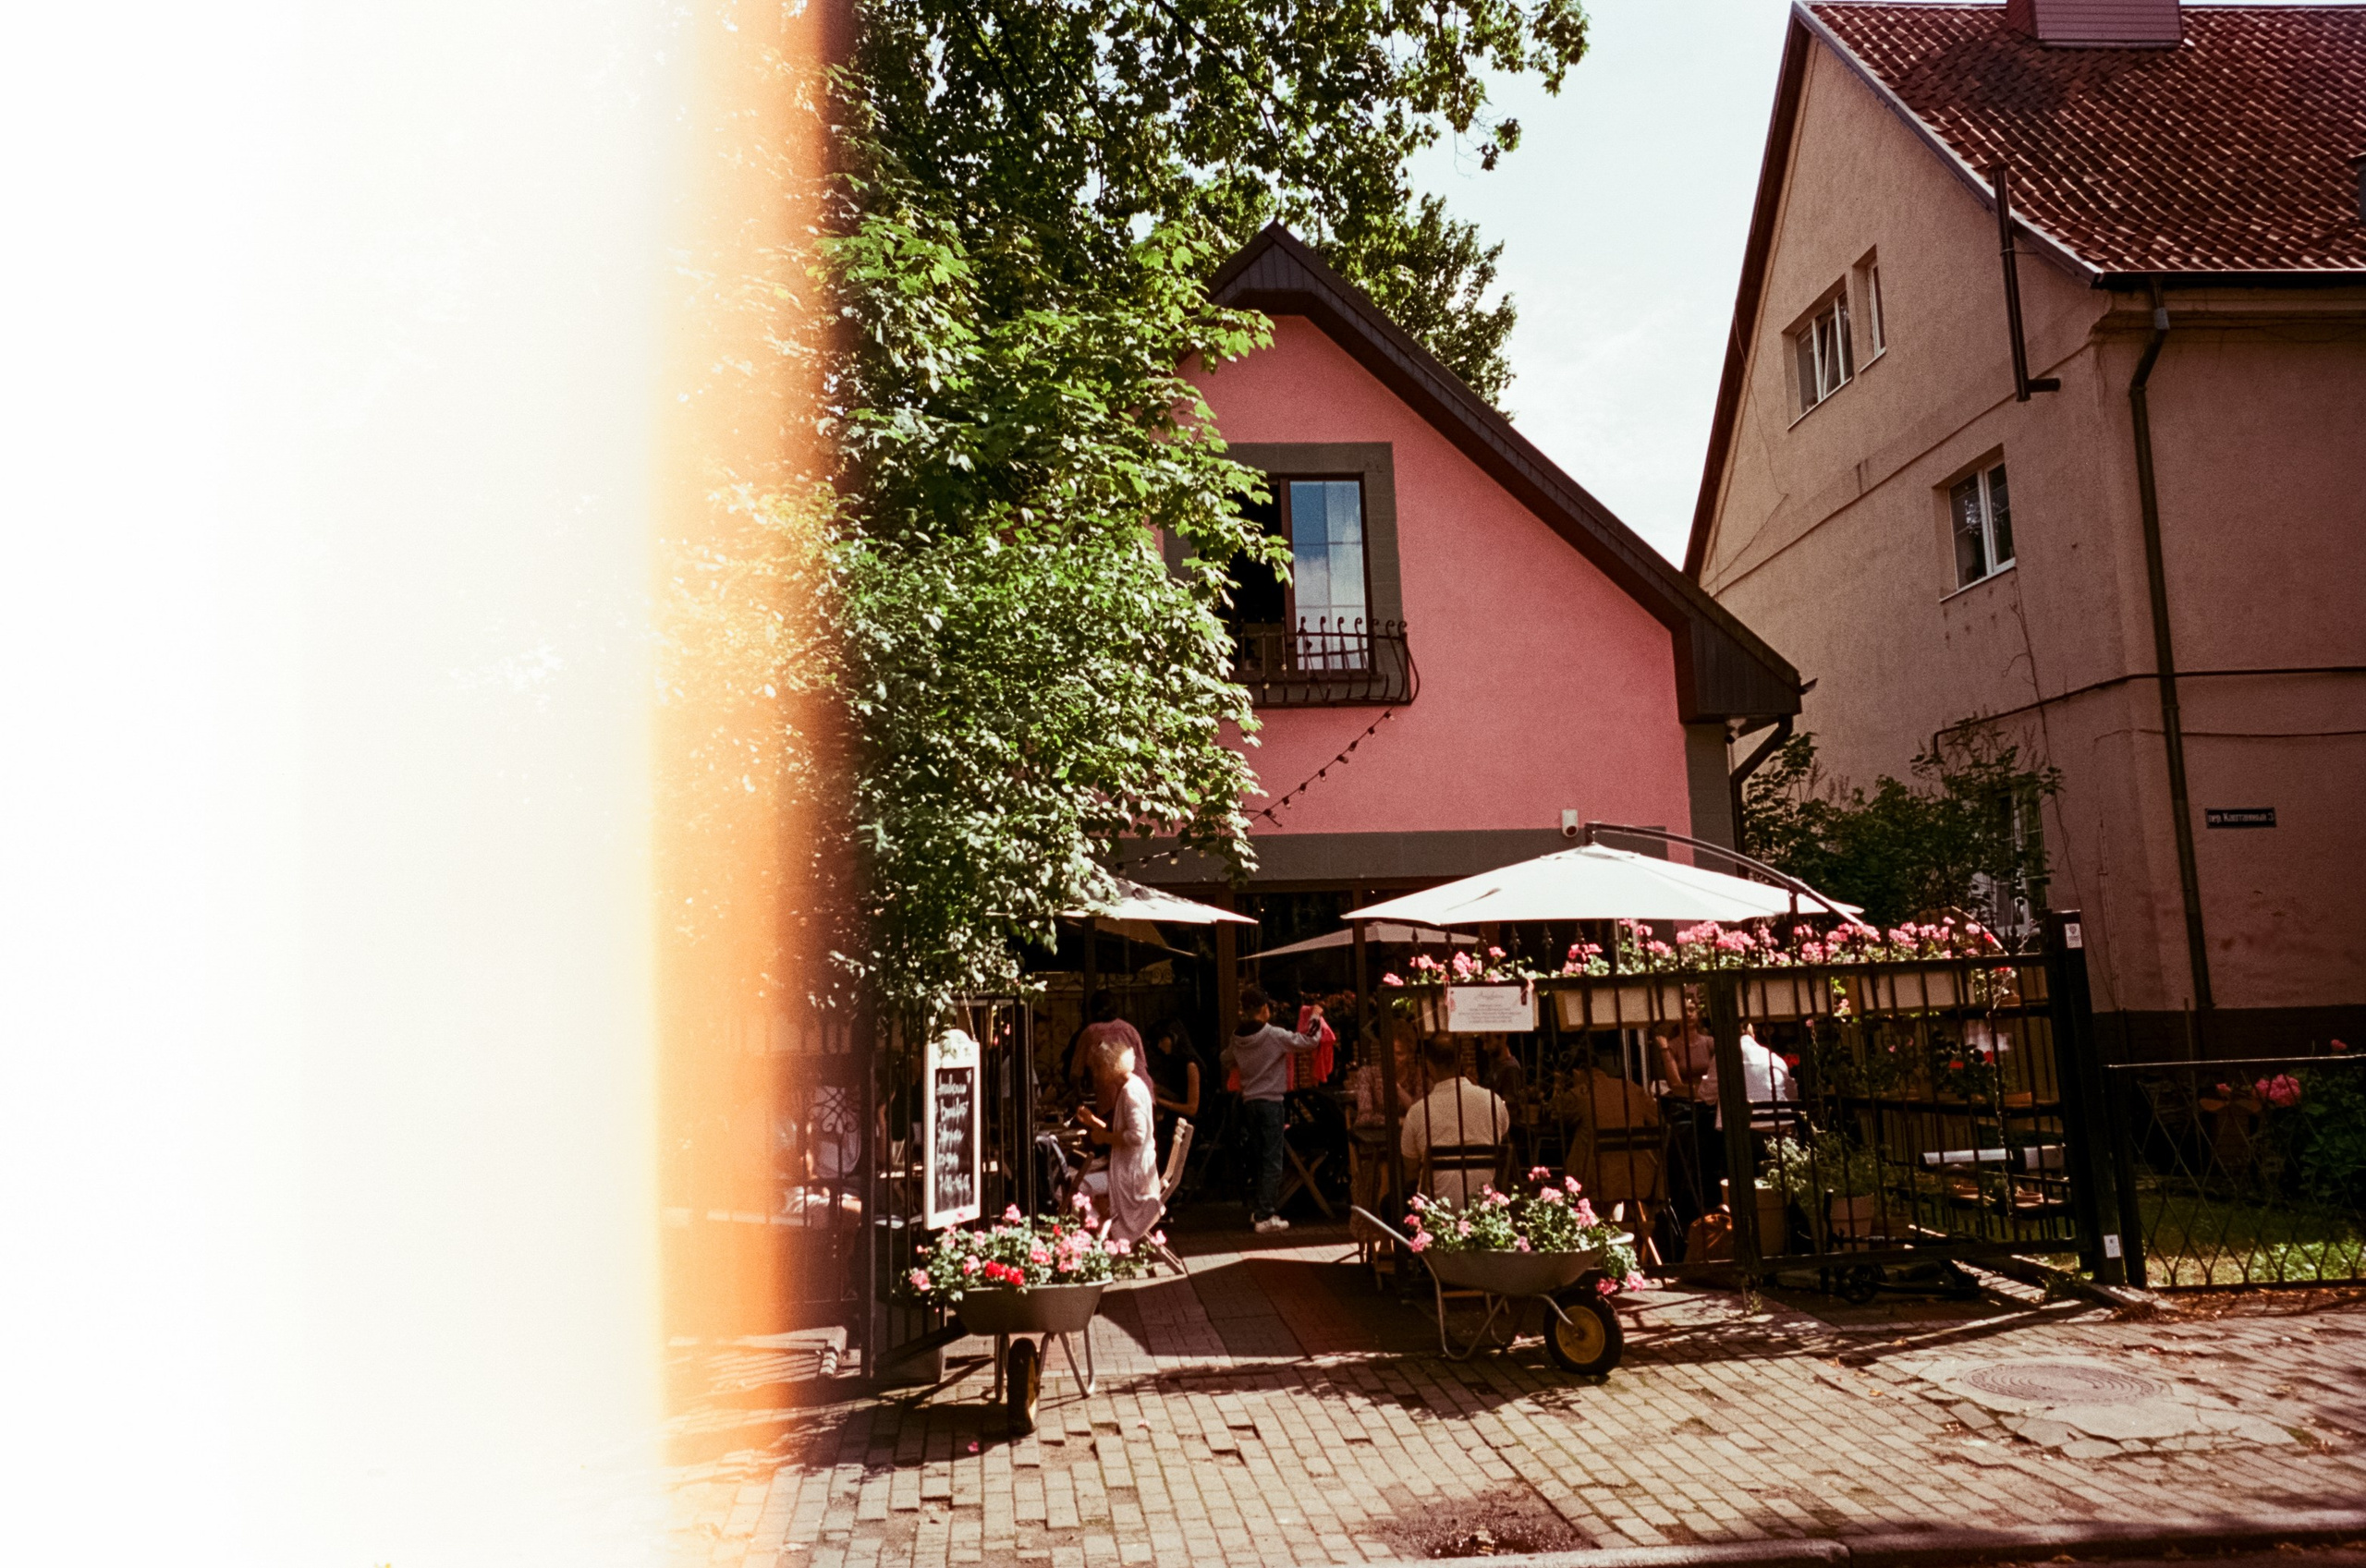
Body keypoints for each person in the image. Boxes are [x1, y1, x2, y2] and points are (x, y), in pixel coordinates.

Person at [1221, 984, 1325, 1234]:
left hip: (1250, 1103)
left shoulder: (1237, 1037)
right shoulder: (1274, 1035)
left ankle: (1259, 1209)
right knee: (1272, 1161)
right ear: (1264, 1009)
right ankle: (1265, 1216)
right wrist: (1316, 1016)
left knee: (1259, 1159)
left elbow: (1225, 1059)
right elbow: (1309, 1041)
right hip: (1271, 1103)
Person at [1399, 1035, 1510, 1209]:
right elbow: (1502, 1135)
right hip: (1484, 1204)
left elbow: (1410, 1170)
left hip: (1436, 1208)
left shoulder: (1418, 1112)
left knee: (1388, 1203)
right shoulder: (1493, 1101)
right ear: (1460, 1061)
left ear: (1429, 1066)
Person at [1074, 1033, 1163, 1243]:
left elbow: (1136, 1136)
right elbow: (1126, 1130)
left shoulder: (1130, 1092)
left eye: (1097, 1068)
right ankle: (1103, 1228)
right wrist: (1094, 1122)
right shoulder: (1133, 1085)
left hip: (1131, 1176)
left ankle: (1101, 1233)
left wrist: (1104, 1137)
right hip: (1131, 1169)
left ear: (1108, 1066)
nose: (1096, 1075)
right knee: (1077, 1182)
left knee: (1074, 1187)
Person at [1696, 1027, 1797, 1130]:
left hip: (1740, 1129)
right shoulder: (1773, 1057)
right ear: (1753, 1035)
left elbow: (1707, 1096)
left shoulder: (1724, 1057)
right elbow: (1791, 1095)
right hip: (1779, 1124)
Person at [1068, 990, 1148, 1101]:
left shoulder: (1091, 1032)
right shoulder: (1130, 1029)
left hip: (1112, 1097)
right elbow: (1142, 1064)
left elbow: (1076, 1072)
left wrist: (1078, 1093)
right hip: (1143, 1092)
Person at [1480, 1034, 1525, 1101]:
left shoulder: (1511, 1068)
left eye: (1488, 1041)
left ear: (1503, 1039)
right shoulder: (1496, 1065)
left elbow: (1510, 1104)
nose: (1485, 1047)